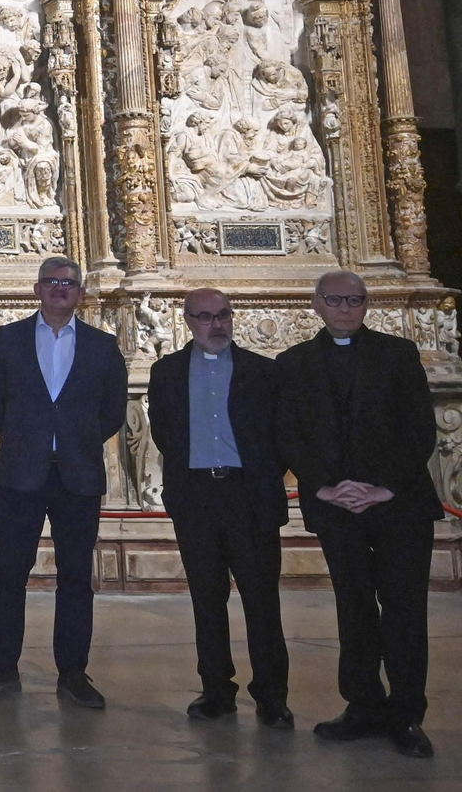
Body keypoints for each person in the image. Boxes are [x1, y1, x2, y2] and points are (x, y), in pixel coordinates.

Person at [276, 270, 440, 758]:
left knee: (405, 609)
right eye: (336, 300)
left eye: (355, 300)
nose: (346, 308)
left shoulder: (398, 354)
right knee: (354, 608)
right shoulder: (294, 362)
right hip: (337, 508)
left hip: (399, 505)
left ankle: (407, 713)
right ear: (317, 305)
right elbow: (289, 432)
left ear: (367, 305)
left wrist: (382, 486)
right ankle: (363, 704)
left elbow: (420, 430)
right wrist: (324, 487)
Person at [0, 256, 127, 709]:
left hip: (78, 474)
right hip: (22, 472)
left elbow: (112, 410)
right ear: (37, 290)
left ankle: (73, 673)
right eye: (52, 282)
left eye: (69, 283)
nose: (60, 289)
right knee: (10, 571)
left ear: (80, 293)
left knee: (76, 577)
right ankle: (0, 668)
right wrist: (29, 439)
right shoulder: (9, 340)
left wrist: (76, 440)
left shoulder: (101, 345)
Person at [146, 287, 291, 729]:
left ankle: (271, 696)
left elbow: (279, 435)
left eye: (224, 314)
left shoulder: (262, 371)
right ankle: (216, 690)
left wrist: (263, 480)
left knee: (262, 601)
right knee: (207, 599)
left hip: (249, 497)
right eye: (206, 316)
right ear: (187, 320)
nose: (218, 324)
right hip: (197, 499)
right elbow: (164, 431)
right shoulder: (167, 371)